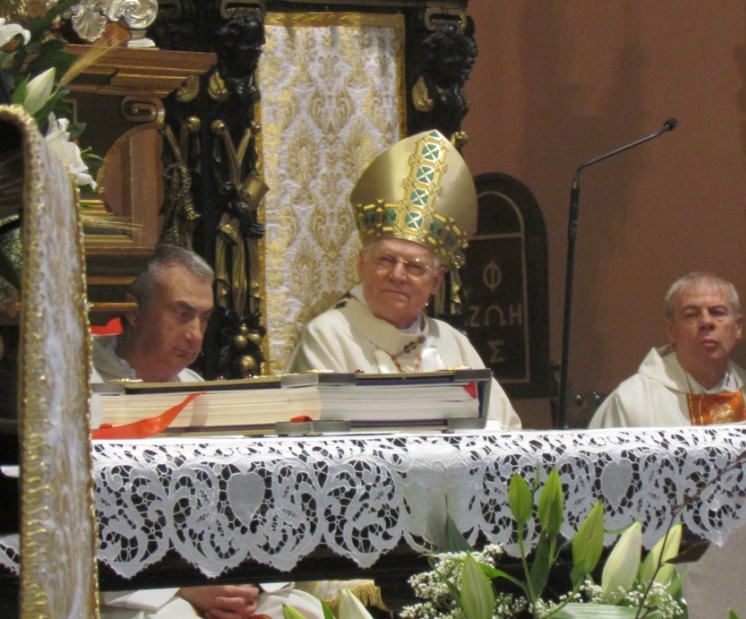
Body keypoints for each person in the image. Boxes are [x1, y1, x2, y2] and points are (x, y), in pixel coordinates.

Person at [92, 244, 323, 619]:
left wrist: (241, 577)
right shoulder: (78, 383)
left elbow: (234, 501)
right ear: (134, 310)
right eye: (182, 315)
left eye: (204, 318)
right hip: (132, 587)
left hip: (209, 571)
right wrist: (179, 583)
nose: (195, 334)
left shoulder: (197, 390)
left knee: (298, 609)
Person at [287, 130, 521, 430]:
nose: (397, 275)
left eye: (414, 267)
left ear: (436, 282)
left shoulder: (453, 342)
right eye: (386, 260)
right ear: (362, 264)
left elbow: (507, 430)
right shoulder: (328, 336)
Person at [589, 272, 746, 428]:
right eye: (691, 315)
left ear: (737, 327)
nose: (706, 322)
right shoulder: (632, 401)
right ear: (671, 330)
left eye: (717, 312)